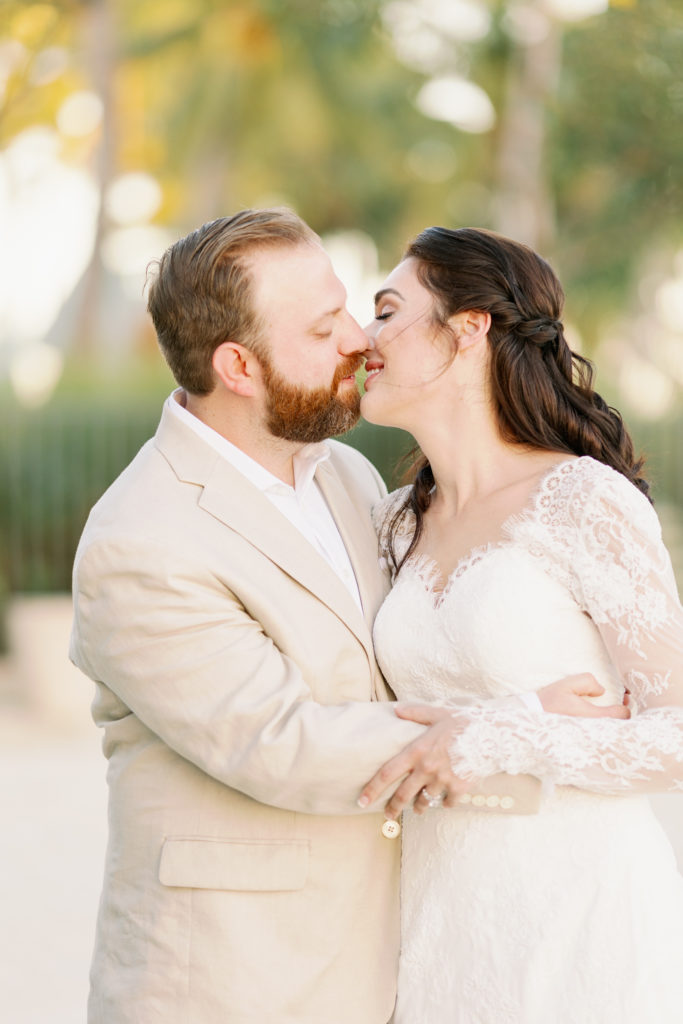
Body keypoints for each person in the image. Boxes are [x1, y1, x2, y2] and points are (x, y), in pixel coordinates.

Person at [70, 208, 621, 1024]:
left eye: (352, 311)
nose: (360, 340)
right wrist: (506, 730)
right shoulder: (140, 540)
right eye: (325, 327)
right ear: (239, 367)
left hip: (398, 959)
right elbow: (279, 742)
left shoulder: (347, 479)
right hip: (230, 980)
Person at [358, 225, 683, 1023]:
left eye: (387, 311)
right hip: (437, 922)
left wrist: (504, 734)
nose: (363, 339)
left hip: (582, 916)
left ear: (469, 328)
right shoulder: (391, 521)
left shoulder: (584, 500)